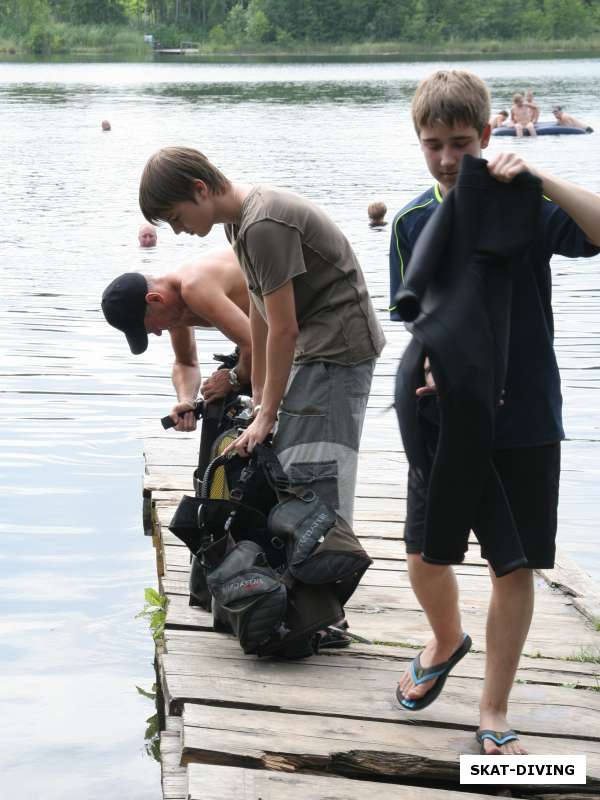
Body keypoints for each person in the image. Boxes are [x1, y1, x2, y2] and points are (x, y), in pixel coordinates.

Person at [389, 69, 600, 754]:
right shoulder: (414, 221)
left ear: (486, 135)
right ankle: (447, 638)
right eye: (432, 145)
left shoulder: (525, 206)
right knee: (423, 553)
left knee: (516, 567)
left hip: (525, 412)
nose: (447, 159)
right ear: (417, 143)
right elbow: (416, 319)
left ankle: (494, 710)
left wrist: (537, 177)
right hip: (445, 419)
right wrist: (425, 369)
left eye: (458, 142)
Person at [139, 146, 385, 531]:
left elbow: (283, 328)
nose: (178, 230)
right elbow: (259, 310)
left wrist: (269, 413)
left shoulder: (262, 223)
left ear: (200, 190)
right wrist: (259, 399)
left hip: (338, 348)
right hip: (314, 346)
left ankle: (328, 573)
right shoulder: (237, 223)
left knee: (317, 472)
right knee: (294, 464)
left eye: (175, 217)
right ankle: (303, 572)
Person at [101, 247, 252, 430]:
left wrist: (234, 378)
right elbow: (185, 362)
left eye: (153, 327)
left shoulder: (193, 288)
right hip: (261, 334)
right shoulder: (174, 307)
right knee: (218, 403)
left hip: (287, 323)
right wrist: (187, 400)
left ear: (155, 299)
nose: (159, 333)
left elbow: (256, 345)